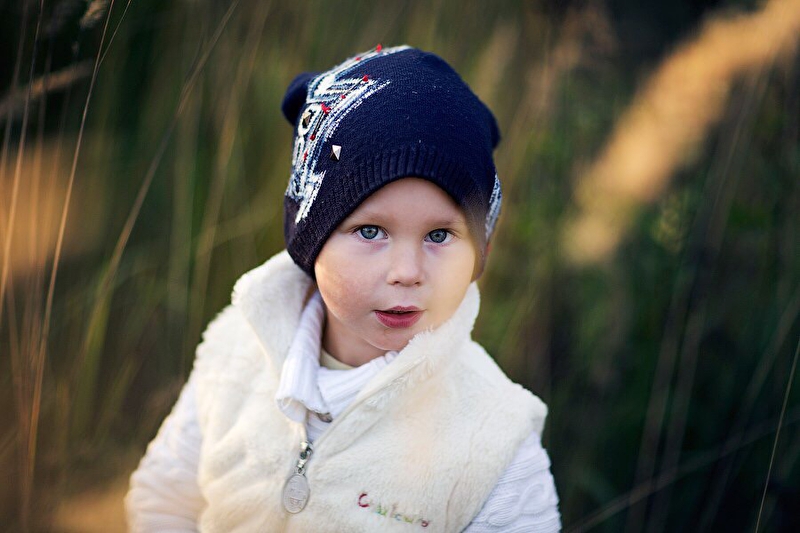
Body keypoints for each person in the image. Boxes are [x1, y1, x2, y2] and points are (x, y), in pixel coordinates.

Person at [125, 44, 561, 532]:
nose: (407, 271)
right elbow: (164, 499)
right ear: (310, 236)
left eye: (440, 235)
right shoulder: (234, 352)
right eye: (371, 231)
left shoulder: (495, 440)